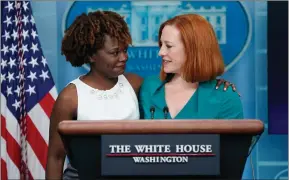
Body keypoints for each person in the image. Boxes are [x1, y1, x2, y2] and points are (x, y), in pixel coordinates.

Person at [46, 11, 240, 179]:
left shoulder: (136, 84)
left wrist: (215, 83)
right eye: (115, 52)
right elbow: (56, 156)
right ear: (91, 56)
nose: (124, 57)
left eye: (125, 50)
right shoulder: (72, 97)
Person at [139, 14, 243, 120]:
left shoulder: (225, 97)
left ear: (194, 49)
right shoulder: (149, 87)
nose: (161, 52)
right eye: (161, 45)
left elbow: (239, 136)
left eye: (169, 46)